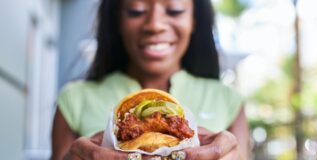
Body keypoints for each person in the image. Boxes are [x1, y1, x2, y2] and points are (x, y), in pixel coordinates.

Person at [51, 0, 249, 159]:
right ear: (117, 20)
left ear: (194, 20)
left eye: (174, 10)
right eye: (136, 11)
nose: (154, 25)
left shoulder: (228, 100)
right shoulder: (74, 99)